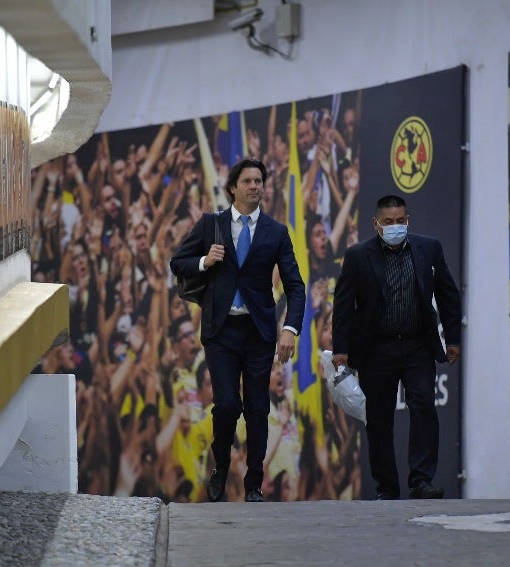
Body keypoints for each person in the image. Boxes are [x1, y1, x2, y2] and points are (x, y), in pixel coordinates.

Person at [170, 158, 306, 503]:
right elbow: (177, 262)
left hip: (259, 332)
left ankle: (254, 482)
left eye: (259, 180)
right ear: (233, 188)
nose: (254, 186)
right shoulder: (210, 225)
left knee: (258, 408)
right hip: (222, 331)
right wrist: (205, 261)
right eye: (247, 181)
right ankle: (220, 465)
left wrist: (290, 328)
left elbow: (295, 286)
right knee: (228, 405)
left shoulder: (276, 232)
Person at [331, 194, 461, 500]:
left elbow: (448, 295)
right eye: (388, 222)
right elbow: (343, 305)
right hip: (377, 349)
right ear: (376, 224)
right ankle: (387, 487)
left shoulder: (429, 249)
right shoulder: (358, 256)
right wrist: (341, 348)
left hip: (418, 345)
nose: (395, 227)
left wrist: (453, 338)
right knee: (379, 419)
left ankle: (421, 480)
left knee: (424, 406)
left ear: (408, 221)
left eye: (400, 221)